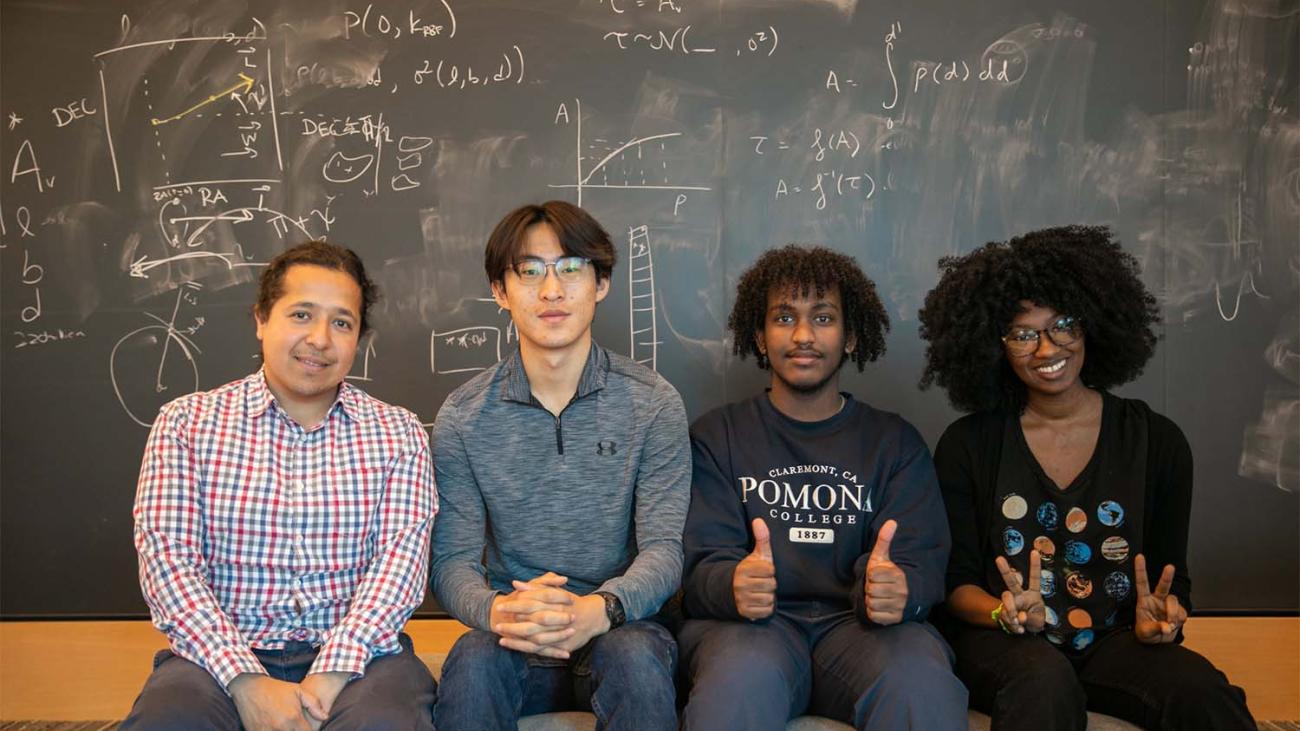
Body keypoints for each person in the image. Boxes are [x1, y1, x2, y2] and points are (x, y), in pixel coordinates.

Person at [918, 225, 1254, 730]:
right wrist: (1001, 613)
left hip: (1117, 643)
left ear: (1092, 323)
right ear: (995, 345)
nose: (1046, 348)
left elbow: (1170, 578)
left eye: (1063, 325)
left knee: (1204, 692)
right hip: (1005, 645)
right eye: (1023, 334)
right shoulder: (969, 445)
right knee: (1043, 682)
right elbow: (957, 584)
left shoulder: (1155, 441)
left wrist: (1163, 616)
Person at [124, 241, 438, 731]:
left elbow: (398, 570)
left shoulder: (399, 433)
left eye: (341, 322)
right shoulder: (186, 424)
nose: (319, 339)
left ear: (359, 338)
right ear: (261, 320)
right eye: (300, 315)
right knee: (169, 720)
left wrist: (330, 674)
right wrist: (245, 681)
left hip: (363, 660)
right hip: (217, 657)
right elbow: (170, 564)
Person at [678, 244, 968, 730]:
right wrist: (730, 583)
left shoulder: (895, 443)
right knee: (734, 692)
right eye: (784, 318)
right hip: (751, 631)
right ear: (760, 335)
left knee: (922, 687)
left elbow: (923, 562)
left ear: (851, 337)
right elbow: (696, 561)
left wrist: (904, 589)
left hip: (863, 631)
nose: (804, 336)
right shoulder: (718, 437)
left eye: (824, 318)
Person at [430, 201, 689, 731]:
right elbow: (451, 560)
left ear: (601, 283)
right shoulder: (462, 417)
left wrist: (601, 608)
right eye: (529, 271)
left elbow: (664, 550)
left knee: (636, 661)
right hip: (515, 630)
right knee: (472, 663)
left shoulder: (654, 404)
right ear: (500, 291)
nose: (552, 290)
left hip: (620, 628)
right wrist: (497, 612)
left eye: (571, 267)